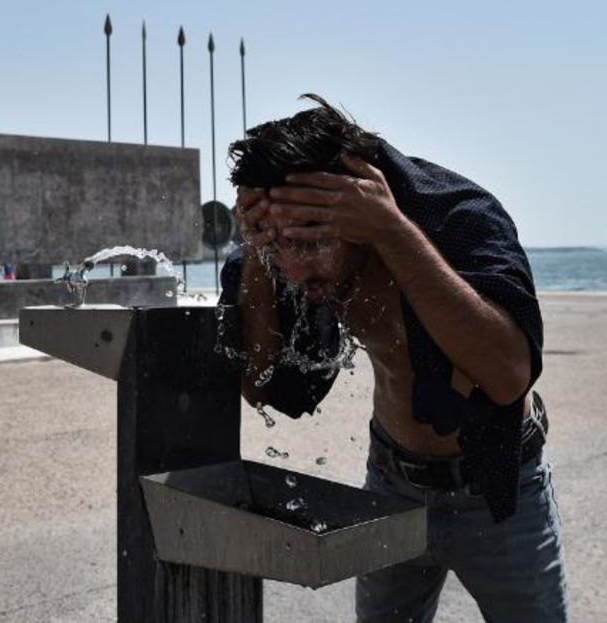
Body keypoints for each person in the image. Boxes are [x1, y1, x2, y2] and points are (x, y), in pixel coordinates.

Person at [220, 95, 568, 622]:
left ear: (355, 203)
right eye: (276, 246)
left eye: (307, 244)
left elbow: (507, 375)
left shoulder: (454, 215)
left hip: (498, 484)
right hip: (392, 482)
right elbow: (261, 382)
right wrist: (255, 256)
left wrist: (392, 230)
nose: (292, 267)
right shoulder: (284, 247)